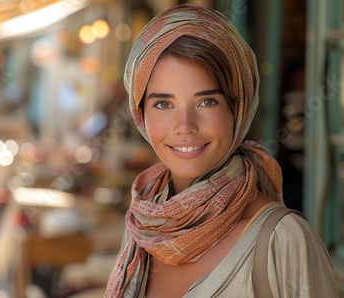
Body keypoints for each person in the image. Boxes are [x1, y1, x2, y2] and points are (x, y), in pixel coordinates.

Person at [105, 4, 338, 297]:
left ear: (237, 110)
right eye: (163, 104)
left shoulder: (283, 239)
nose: (185, 126)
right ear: (140, 114)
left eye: (207, 102)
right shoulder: (144, 226)